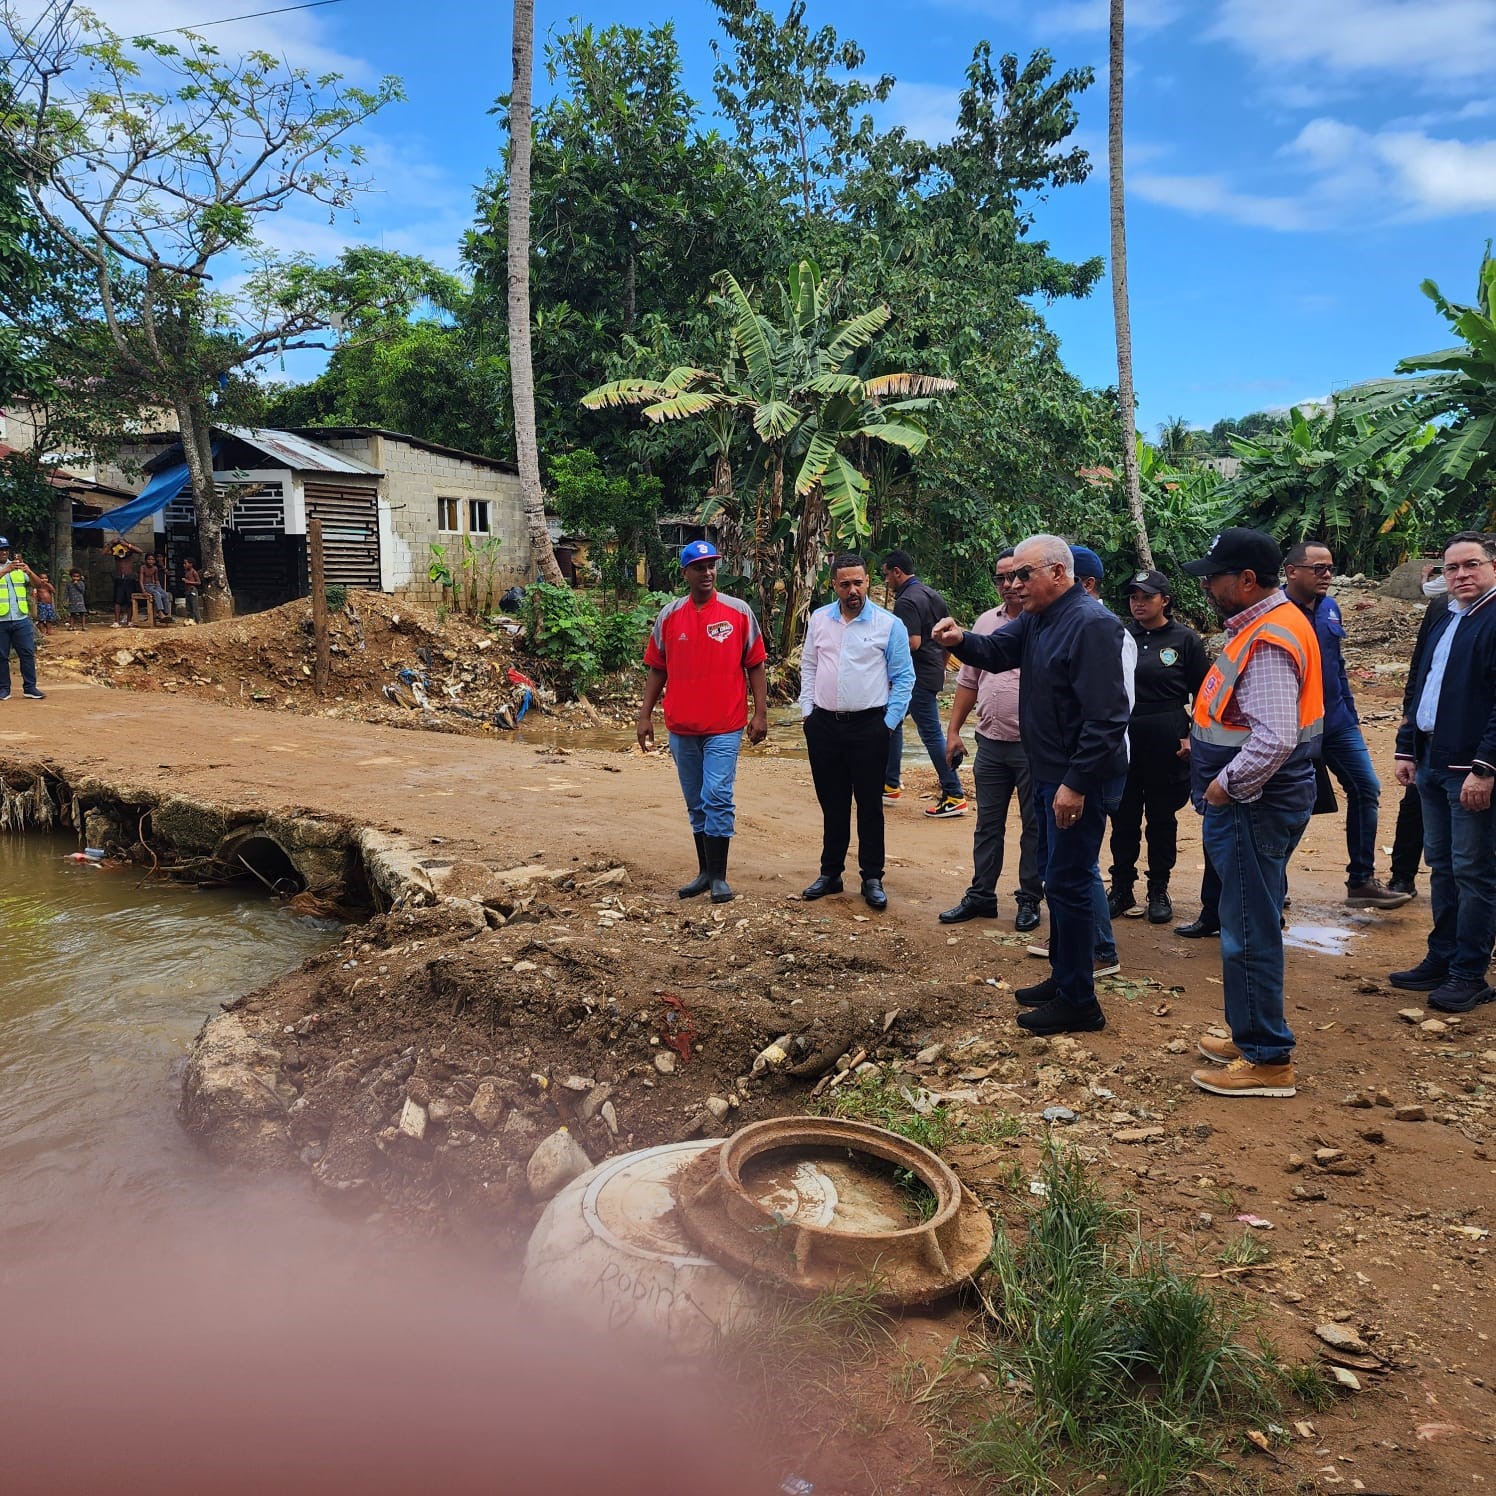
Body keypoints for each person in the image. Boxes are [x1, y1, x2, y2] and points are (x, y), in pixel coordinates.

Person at [933, 533, 1130, 1036]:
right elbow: (996, 651)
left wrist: (1076, 783)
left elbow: (1107, 719)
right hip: (1048, 774)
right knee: (1055, 877)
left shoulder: (1092, 625)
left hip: (1072, 780)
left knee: (1069, 880)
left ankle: (1080, 1001)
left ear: (1059, 574)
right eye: (1012, 576)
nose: (1014, 584)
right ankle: (1064, 980)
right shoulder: (1040, 619)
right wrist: (961, 642)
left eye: (1025, 574)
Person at [1182, 528, 1323, 1099]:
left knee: (1247, 927)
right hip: (1266, 802)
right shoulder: (1270, 625)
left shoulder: (1268, 638)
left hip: (1253, 805)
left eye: (1215, 576)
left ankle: (1267, 1057)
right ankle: (1251, 1036)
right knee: (1250, 916)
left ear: (1245, 580)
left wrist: (1222, 788)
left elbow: (1273, 739)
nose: (1208, 586)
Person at [1389, 531, 1496, 1014]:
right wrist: (1406, 747)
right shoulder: (1441, 614)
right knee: (1444, 865)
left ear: (1492, 566)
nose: (1461, 575)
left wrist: (1486, 768)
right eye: (1451, 568)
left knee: (1474, 871)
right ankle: (1442, 955)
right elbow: (1420, 684)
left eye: (1471, 565)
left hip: (1470, 768)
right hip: (1431, 758)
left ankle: (1469, 972)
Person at [638, 540, 768, 905]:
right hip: (680, 726)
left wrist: (760, 713)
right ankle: (704, 873)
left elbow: (755, 664)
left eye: (712, 565)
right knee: (696, 801)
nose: (707, 572)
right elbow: (657, 668)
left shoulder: (738, 612)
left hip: (725, 724)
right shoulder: (669, 616)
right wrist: (645, 715)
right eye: (699, 566)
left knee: (717, 796)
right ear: (685, 573)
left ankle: (721, 877)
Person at [1282, 541, 1410, 909]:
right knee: (1295, 805)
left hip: (1337, 722)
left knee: (1366, 787)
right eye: (1318, 568)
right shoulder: (1273, 612)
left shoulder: (1331, 609)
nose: (1326, 575)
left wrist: (1351, 715)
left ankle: (1361, 880)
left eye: (1330, 569)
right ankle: (1272, 885)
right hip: (1295, 728)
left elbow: (1336, 667)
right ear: (1292, 571)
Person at [799, 553, 915, 911]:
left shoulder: (888, 624)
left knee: (869, 806)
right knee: (832, 804)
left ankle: (872, 877)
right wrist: (808, 714)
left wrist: (887, 724)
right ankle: (830, 873)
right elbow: (808, 666)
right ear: (834, 584)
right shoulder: (819, 619)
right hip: (824, 726)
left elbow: (904, 678)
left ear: (868, 582)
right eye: (845, 583)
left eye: (859, 582)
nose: (853, 590)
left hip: (870, 727)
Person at [939, 550, 1042, 931]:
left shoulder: (1042, 621)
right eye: (1000, 578)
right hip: (990, 742)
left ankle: (1030, 898)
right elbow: (968, 681)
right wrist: (953, 732)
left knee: (1034, 825)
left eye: (1015, 576)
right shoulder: (985, 622)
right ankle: (981, 895)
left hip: (1033, 748)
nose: (1008, 585)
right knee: (987, 824)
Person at [1107, 570, 1208, 924]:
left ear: (1164, 599)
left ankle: (1158, 888)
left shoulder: (1184, 640)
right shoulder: (1119, 636)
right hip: (1125, 736)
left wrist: (1192, 736)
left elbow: (1205, 694)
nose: (1138, 603)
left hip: (1168, 736)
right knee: (1123, 817)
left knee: (1162, 818)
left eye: (1146, 597)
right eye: (1134, 597)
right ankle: (1121, 886)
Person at [880, 550, 966, 818]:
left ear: (897, 572)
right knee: (890, 722)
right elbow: (949, 634)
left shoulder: (906, 601)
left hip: (914, 676)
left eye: (886, 575)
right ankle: (889, 782)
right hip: (931, 672)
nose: (885, 581)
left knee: (930, 734)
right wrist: (940, 666)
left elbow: (912, 642)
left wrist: (878, 650)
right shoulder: (930, 594)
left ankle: (954, 793)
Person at [1387, 561, 1453, 896]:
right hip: (1428, 731)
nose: (1460, 575)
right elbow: (1419, 666)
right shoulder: (1441, 607)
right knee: (1415, 803)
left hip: (1472, 739)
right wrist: (1408, 717)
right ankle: (1402, 875)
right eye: (1452, 567)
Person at [0, 537, 46, 700]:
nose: (4, 552)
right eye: (1, 549)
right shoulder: (8, 569)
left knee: (27, 653)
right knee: (1, 656)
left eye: (6, 549)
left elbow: (39, 585)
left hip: (21, 618)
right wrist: (6, 570)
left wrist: (29, 571)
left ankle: (30, 687)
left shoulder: (19, 567)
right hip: (1, 620)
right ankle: (4, 689)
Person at [110, 539, 144, 626]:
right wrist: (111, 543)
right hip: (119, 578)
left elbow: (140, 551)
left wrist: (127, 544)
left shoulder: (130, 552)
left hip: (130, 578)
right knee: (117, 601)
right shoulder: (116, 552)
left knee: (130, 601)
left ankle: (129, 621)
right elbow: (103, 553)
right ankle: (117, 621)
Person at [138, 553, 171, 623]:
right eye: (149, 559)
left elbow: (156, 580)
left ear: (154, 561)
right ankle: (160, 613)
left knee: (165, 594)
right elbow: (140, 580)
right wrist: (143, 590)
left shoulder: (155, 568)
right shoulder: (143, 567)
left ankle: (166, 613)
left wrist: (160, 588)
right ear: (145, 560)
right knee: (157, 594)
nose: (150, 561)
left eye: (152, 559)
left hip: (154, 585)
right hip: (146, 586)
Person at [182, 557, 203, 624]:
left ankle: (198, 620)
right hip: (187, 591)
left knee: (194, 607)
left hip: (192, 590)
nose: (184, 565)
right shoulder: (186, 572)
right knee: (188, 607)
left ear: (191, 564)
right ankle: (191, 620)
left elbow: (199, 582)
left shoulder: (194, 572)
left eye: (185, 563)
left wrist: (188, 582)